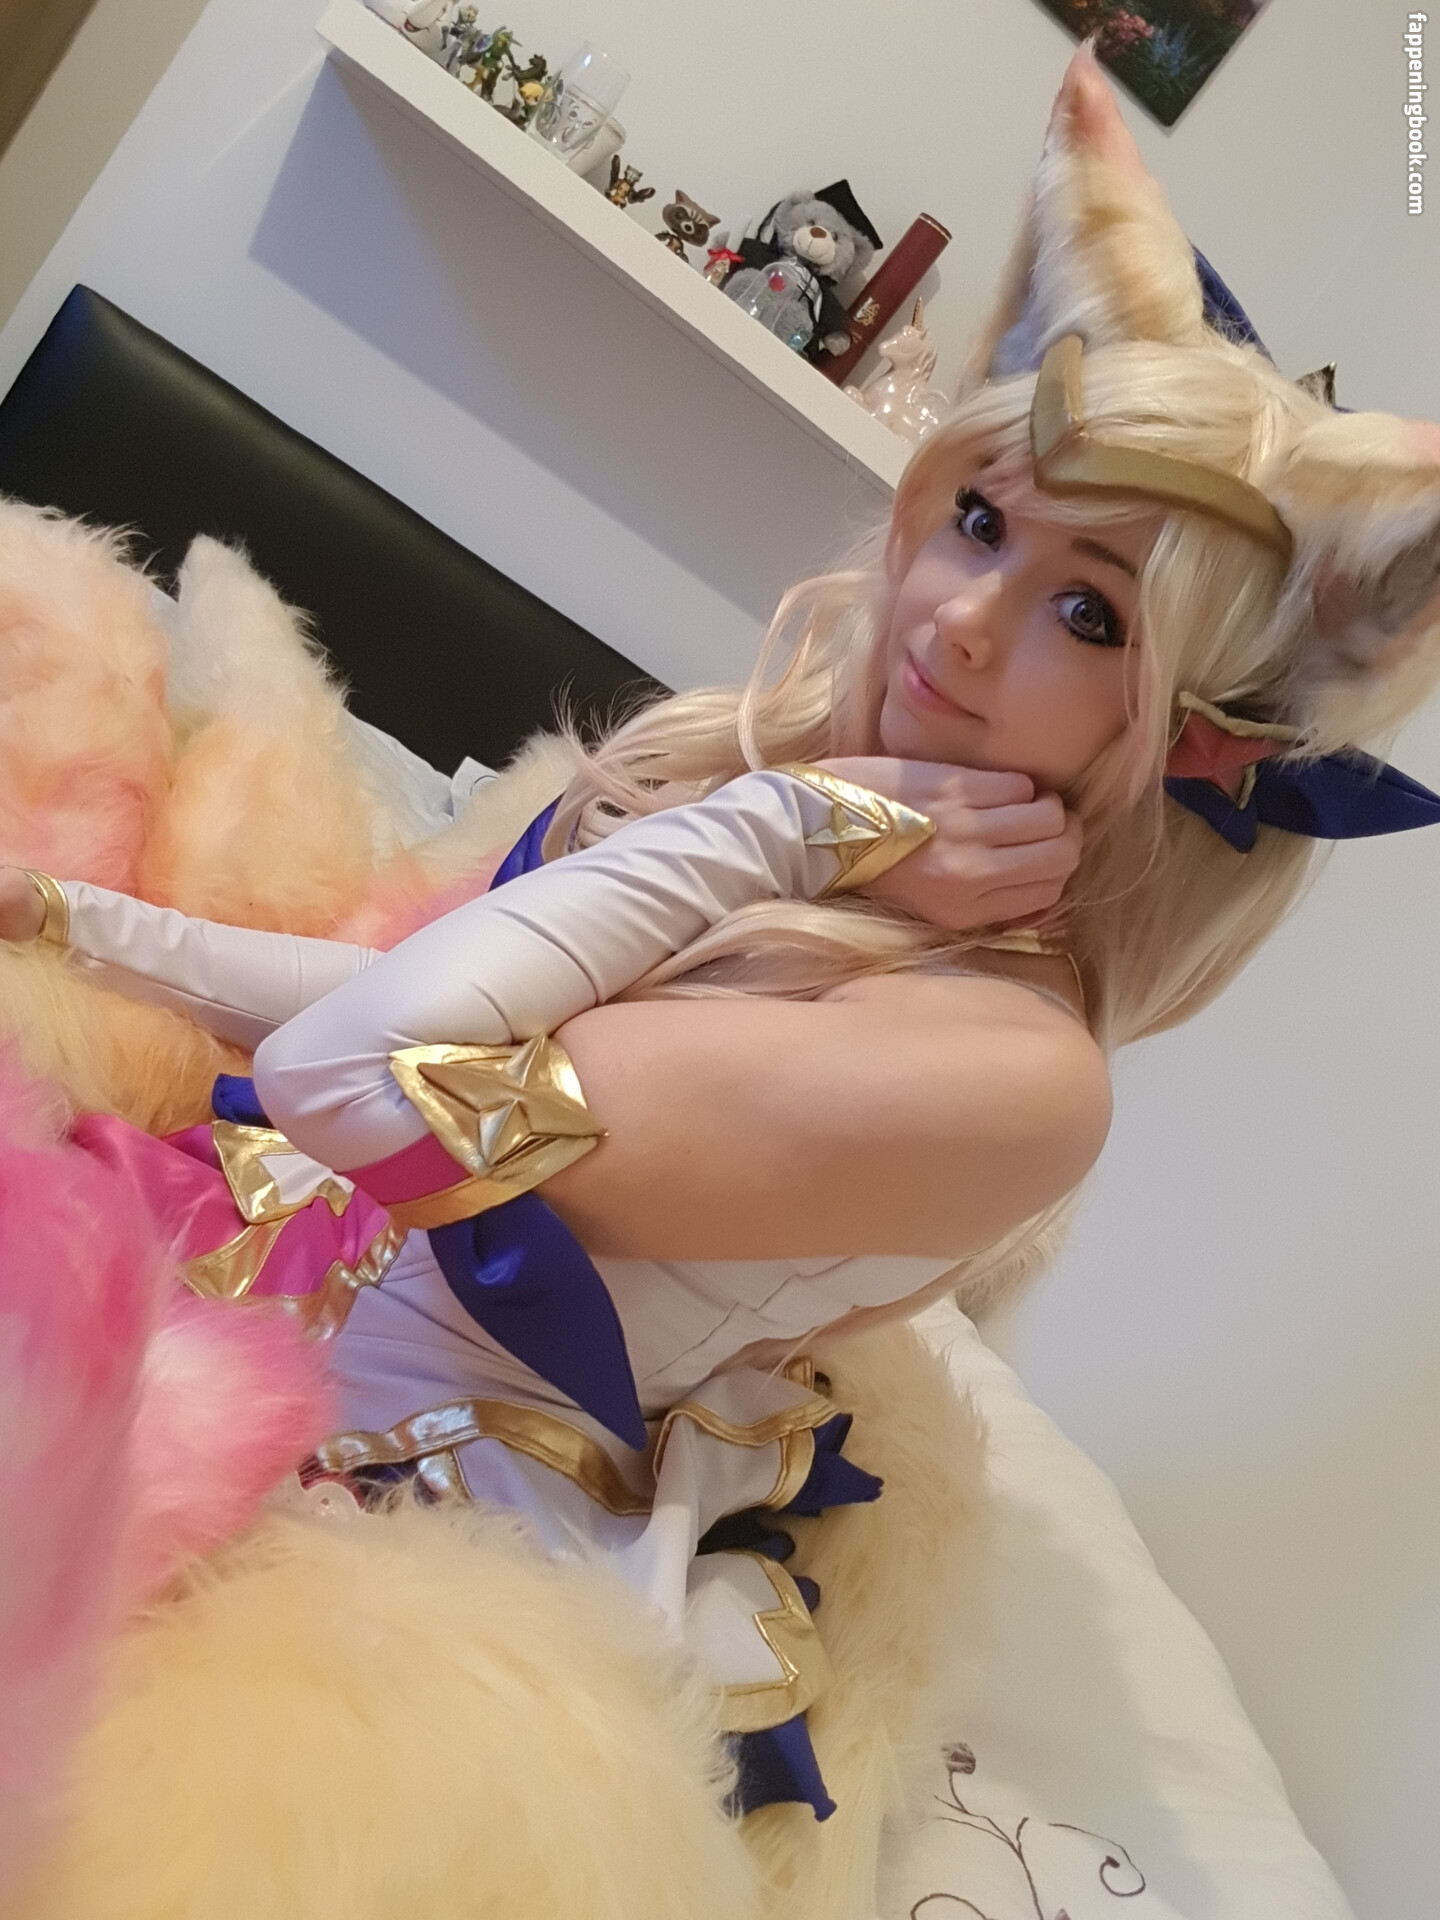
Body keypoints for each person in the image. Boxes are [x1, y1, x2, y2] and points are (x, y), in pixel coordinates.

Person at [6, 42, 1440, 1920]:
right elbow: (391, 987)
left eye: (1089, 612)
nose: (957, 619)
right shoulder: (792, 811)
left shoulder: (1016, 1073)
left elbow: (362, 1061)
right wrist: (69, 924)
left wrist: (786, 823)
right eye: (980, 523)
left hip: (408, 1477)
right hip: (273, 1252)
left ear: (1192, 737)